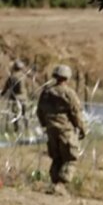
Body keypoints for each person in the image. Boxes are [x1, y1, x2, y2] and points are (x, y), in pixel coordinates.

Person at [36, 64, 87, 196]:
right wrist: (81, 128)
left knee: (57, 157)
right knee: (70, 158)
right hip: (66, 130)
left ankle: (54, 184)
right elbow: (76, 112)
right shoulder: (69, 93)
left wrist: (44, 124)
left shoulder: (46, 92)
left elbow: (39, 110)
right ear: (68, 77)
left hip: (51, 129)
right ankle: (61, 185)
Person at [2, 59, 29, 133]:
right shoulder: (24, 76)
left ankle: (16, 129)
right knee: (24, 113)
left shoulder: (11, 77)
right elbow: (28, 86)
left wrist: (2, 95)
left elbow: (6, 88)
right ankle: (27, 128)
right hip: (24, 98)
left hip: (15, 98)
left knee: (15, 114)